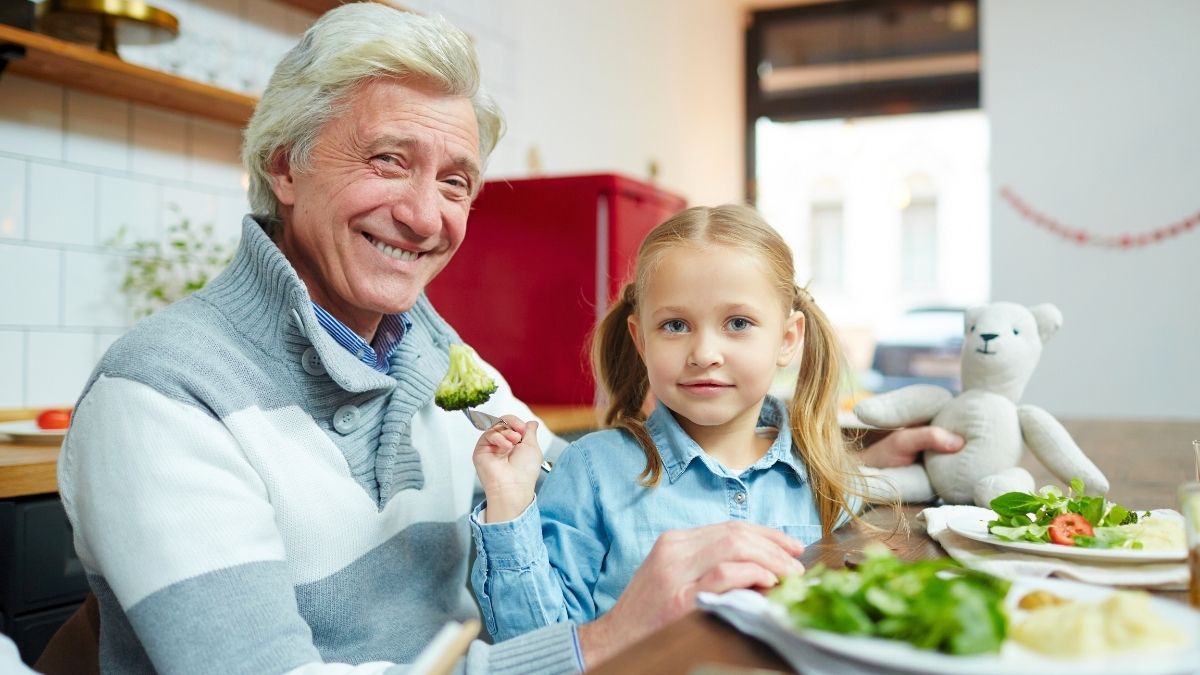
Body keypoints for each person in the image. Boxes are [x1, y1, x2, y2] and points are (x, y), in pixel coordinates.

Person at [53, 5, 832, 673]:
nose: (426, 217)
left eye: (455, 181)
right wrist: (598, 641)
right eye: (388, 160)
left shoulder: (432, 354)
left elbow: (587, 483)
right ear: (284, 165)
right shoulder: (161, 396)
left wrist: (848, 448)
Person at [468, 204, 956, 642]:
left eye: (738, 323)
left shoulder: (826, 472)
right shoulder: (591, 472)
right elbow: (536, 644)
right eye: (675, 325)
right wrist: (509, 505)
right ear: (641, 340)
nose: (704, 354)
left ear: (788, 339)